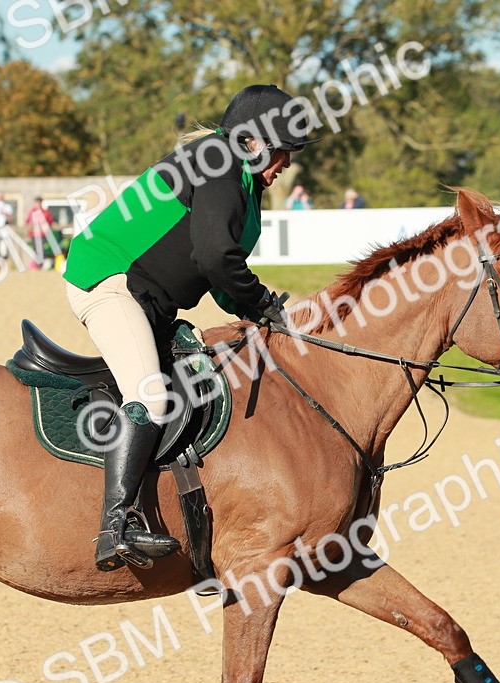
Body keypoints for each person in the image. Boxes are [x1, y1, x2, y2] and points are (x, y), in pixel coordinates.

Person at [64, 83, 316, 571]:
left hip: (152, 301)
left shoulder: (242, 182)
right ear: (258, 141)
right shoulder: (217, 160)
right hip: (108, 279)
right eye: (284, 150)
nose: (287, 163)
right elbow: (217, 259)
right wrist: (262, 302)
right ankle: (116, 527)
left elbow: (217, 274)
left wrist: (260, 313)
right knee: (152, 396)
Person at [25, 196, 57, 269]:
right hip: (33, 234)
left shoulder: (45, 212)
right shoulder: (31, 212)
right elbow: (27, 221)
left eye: (39, 203)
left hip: (42, 234)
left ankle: (43, 263)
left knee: (42, 249)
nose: (37, 204)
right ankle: (37, 264)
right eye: (36, 203)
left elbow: (50, 221)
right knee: (35, 249)